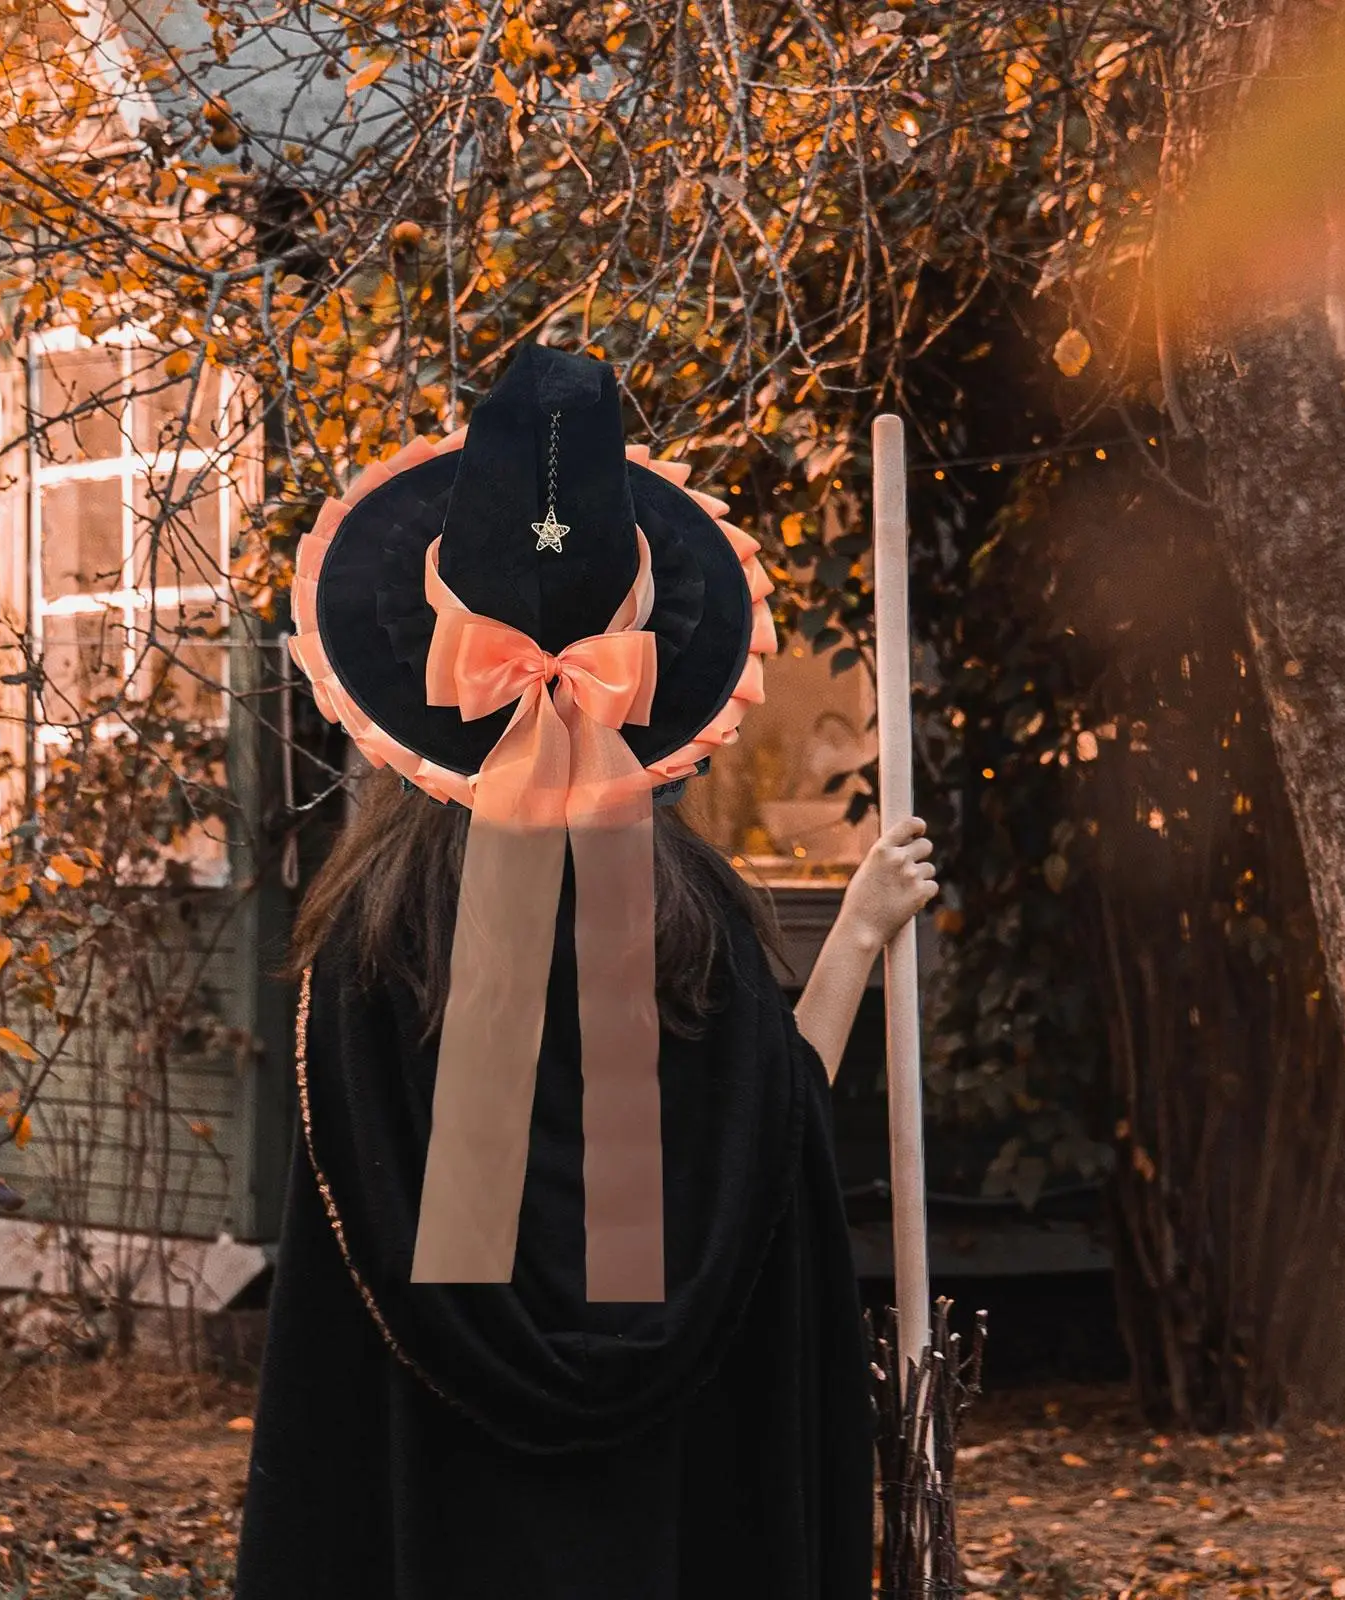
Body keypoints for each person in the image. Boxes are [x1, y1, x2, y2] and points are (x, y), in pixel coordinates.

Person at [234, 345, 937, 1600]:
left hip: (441, 1520)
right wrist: (858, 935)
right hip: (665, 1517)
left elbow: (341, 1357)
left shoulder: (367, 943)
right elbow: (769, 1141)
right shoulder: (692, 925)